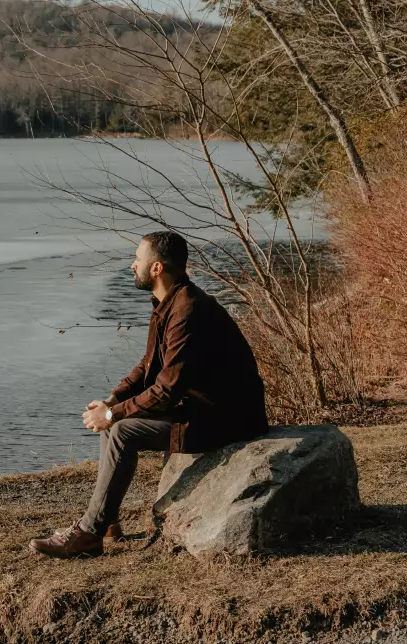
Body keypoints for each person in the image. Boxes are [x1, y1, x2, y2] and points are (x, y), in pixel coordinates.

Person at [28, 230, 269, 559]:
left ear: (156, 268)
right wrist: (113, 401)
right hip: (199, 409)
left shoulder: (188, 311)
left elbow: (167, 390)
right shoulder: (169, 303)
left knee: (121, 430)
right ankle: (106, 521)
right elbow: (148, 365)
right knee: (116, 423)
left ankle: (87, 534)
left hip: (225, 421)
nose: (132, 265)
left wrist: (114, 414)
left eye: (138, 260)